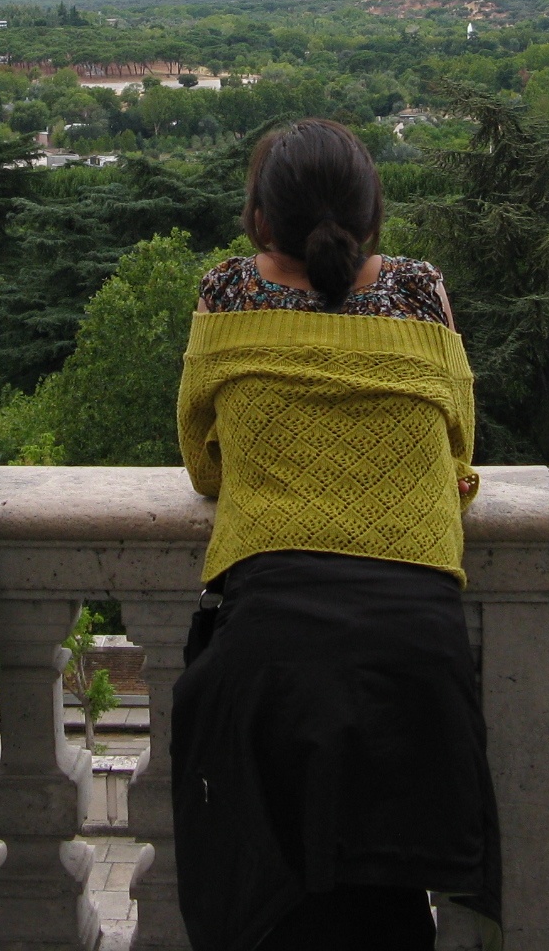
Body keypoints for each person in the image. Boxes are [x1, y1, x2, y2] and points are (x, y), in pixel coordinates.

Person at [172, 117, 498, 951]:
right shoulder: (423, 292)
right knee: (388, 906)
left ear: (259, 213)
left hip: (270, 642)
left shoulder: (226, 293)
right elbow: (459, 445)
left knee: (272, 908)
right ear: (370, 207)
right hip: (413, 647)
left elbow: (206, 469)